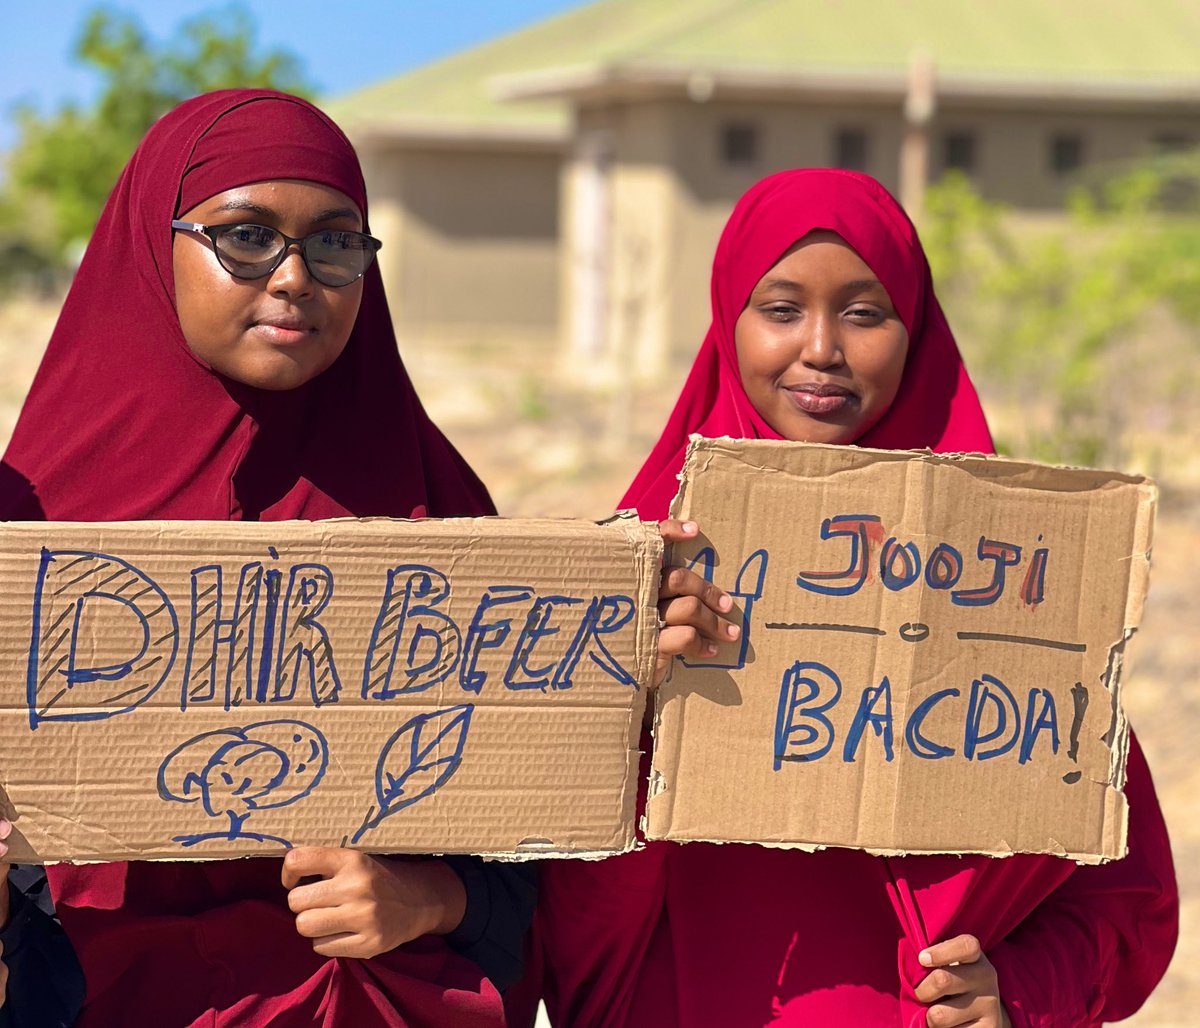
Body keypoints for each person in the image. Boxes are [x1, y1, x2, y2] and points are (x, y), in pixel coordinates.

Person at [519, 169, 1178, 1027]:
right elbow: (541, 892)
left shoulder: (1005, 574)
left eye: (865, 313)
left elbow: (1125, 895)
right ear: (727, 322)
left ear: (917, 331)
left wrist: (1018, 992)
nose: (822, 348)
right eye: (782, 309)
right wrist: (627, 695)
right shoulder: (647, 562)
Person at [0, 89, 535, 1027]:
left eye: (336, 242)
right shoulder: (33, 527)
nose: (295, 277)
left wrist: (431, 898)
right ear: (153, 249)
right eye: (245, 236)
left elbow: (534, 844)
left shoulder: (439, 517)